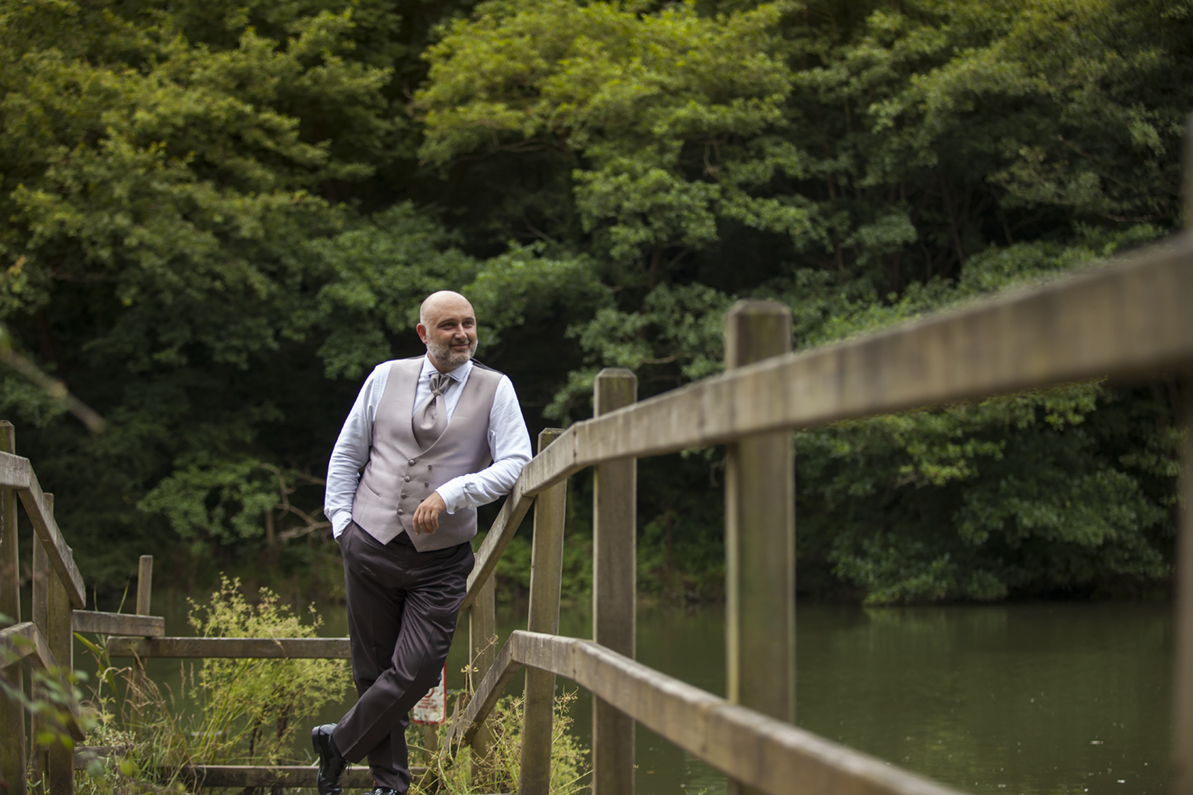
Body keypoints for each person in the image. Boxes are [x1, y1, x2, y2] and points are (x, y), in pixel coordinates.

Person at [312, 290, 532, 795]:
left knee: (418, 669)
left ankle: (338, 742)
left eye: (469, 323)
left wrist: (453, 492)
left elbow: (516, 463)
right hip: (368, 542)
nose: (462, 334)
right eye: (449, 325)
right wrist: (341, 524)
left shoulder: (495, 389)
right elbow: (347, 453)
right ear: (423, 333)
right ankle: (391, 786)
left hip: (440, 559)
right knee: (373, 670)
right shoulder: (384, 376)